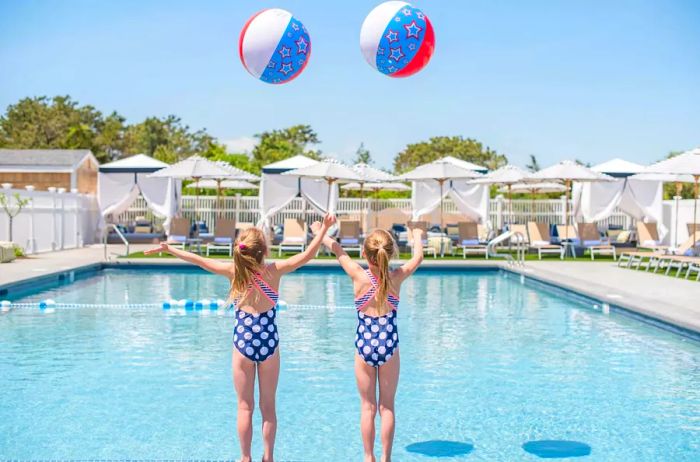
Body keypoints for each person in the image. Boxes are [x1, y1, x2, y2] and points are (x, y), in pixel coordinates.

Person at [145, 213, 336, 462]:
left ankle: (245, 458)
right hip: (268, 342)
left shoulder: (234, 272)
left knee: (245, 406)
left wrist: (170, 249)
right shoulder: (274, 271)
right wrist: (323, 231)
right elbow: (307, 255)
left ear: (240, 249)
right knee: (268, 408)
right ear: (265, 250)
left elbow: (199, 260)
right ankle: (268, 457)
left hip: (243, 343)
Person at [313, 224, 425, 462]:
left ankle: (368, 457)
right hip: (388, 345)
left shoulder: (358, 275)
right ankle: (386, 458)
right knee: (387, 407)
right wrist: (416, 234)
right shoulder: (396, 278)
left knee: (367, 407)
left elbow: (337, 250)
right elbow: (418, 257)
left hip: (364, 346)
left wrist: (320, 232)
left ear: (364, 253)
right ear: (391, 253)